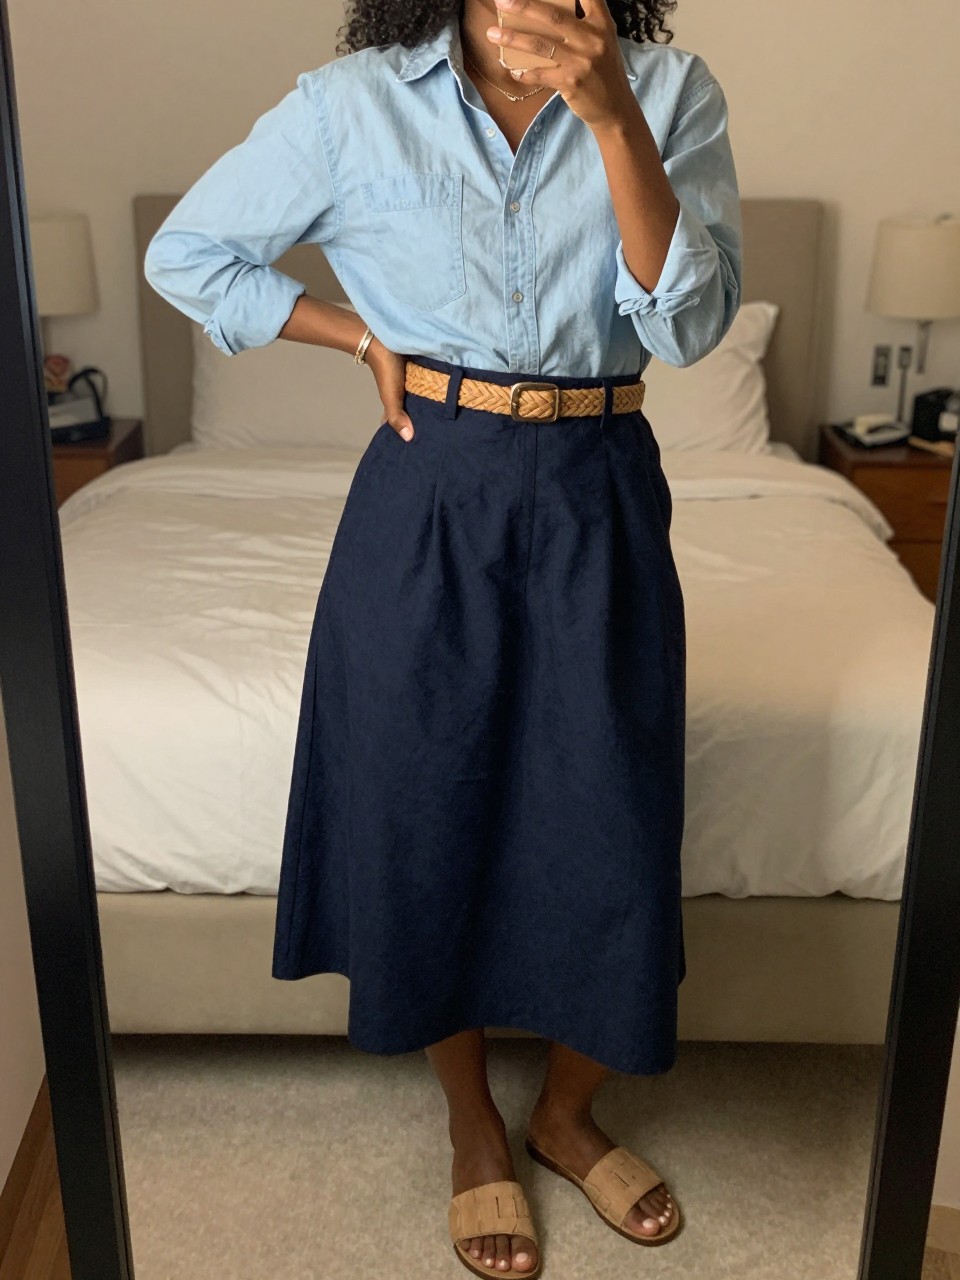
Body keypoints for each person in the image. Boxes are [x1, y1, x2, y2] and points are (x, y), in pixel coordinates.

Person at [143, 0, 742, 1269]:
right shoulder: (347, 106)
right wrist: (356, 332)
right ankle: (472, 1120)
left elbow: (688, 326)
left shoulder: (673, 91)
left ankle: (568, 1115)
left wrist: (615, 115)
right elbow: (190, 255)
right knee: (426, 802)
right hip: (431, 481)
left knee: (612, 804)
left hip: (600, 478)